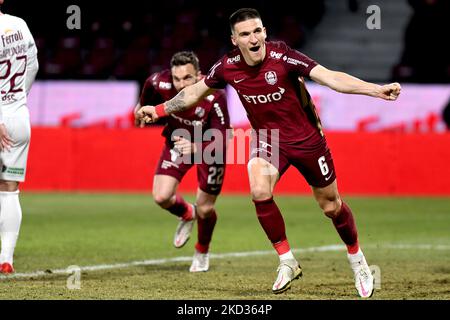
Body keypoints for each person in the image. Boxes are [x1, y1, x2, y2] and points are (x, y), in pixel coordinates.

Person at [137, 8, 401, 297]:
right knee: (260, 191)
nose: (254, 38)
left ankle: (357, 258)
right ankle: (287, 260)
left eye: (258, 31)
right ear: (234, 40)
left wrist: (375, 90)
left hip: (307, 140)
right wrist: (159, 109)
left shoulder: (284, 57)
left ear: (264, 32)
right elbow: (192, 92)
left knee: (331, 206)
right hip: (268, 139)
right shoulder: (228, 66)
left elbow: (330, 78)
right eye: (246, 34)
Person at [134, 51, 230, 272]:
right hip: (177, 142)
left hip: (209, 150)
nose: (181, 84)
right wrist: (141, 106)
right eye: (177, 78)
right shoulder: (162, 82)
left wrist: (197, 148)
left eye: (187, 78)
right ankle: (187, 213)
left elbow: (224, 139)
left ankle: (202, 251)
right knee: (161, 196)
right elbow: (149, 84)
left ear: (198, 75)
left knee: (206, 209)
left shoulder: (214, 96)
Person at [0, 0, 39, 274]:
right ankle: (6, 258)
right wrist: (16, 100)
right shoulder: (20, 25)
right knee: (9, 189)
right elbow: (33, 67)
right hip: (18, 117)